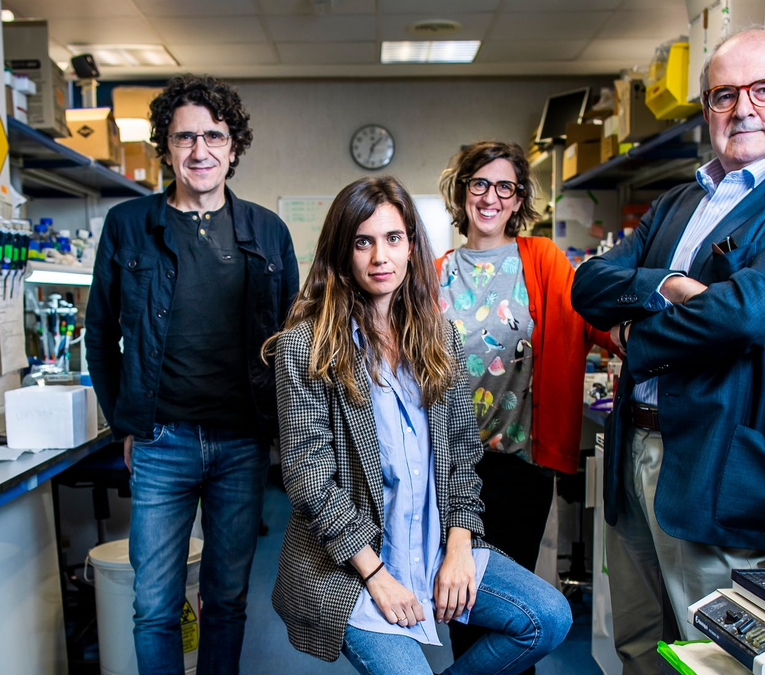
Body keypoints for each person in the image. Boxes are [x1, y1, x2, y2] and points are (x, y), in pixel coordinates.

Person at [570, 28, 765, 673]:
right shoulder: (680, 202)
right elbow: (589, 283)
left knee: (718, 658)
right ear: (707, 108)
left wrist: (633, 336)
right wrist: (669, 285)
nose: (743, 108)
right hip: (634, 452)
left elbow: (743, 315)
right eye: (723, 95)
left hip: (721, 464)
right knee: (639, 646)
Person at [268, 176, 571, 675]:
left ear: (412, 245)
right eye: (362, 242)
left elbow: (460, 458)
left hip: (433, 548)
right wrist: (378, 577)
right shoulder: (307, 347)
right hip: (354, 568)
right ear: (342, 253)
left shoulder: (440, 340)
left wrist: (458, 548)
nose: (379, 257)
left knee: (549, 617)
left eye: (393, 238)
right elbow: (310, 482)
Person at [85, 74, 299, 675]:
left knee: (227, 599)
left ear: (233, 147)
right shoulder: (130, 226)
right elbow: (99, 335)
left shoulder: (267, 233)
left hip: (241, 442)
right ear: (166, 146)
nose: (199, 150)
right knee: (153, 603)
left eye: (214, 136)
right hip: (160, 441)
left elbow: (293, 343)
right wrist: (125, 423)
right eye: (185, 138)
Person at [434, 141, 616, 671]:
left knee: (519, 612)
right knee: (462, 605)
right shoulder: (434, 273)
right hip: (448, 468)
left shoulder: (541, 260)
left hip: (520, 466)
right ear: (462, 191)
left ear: (518, 200)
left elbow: (591, 314)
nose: (491, 197)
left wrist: (642, 332)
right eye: (480, 184)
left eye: (505, 187)